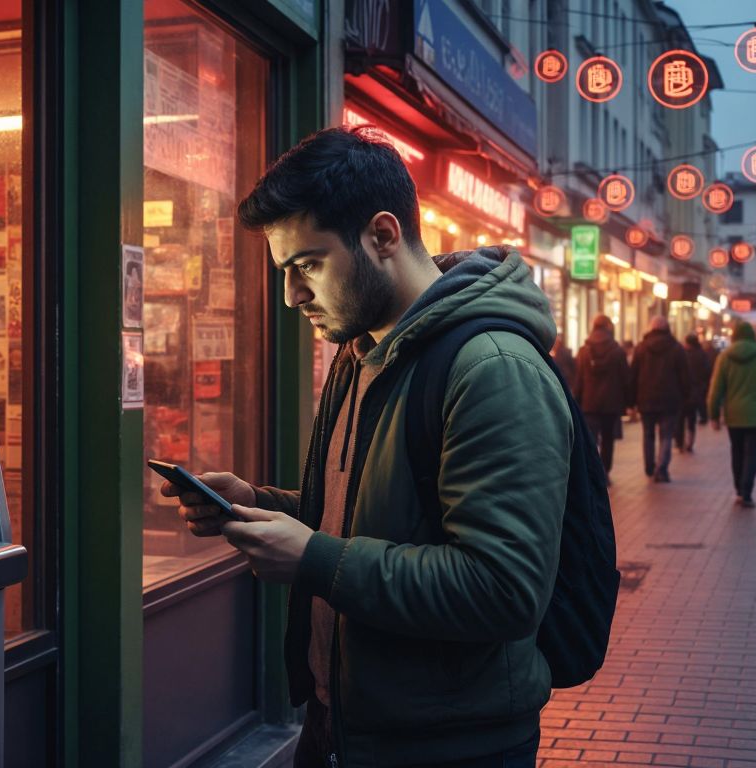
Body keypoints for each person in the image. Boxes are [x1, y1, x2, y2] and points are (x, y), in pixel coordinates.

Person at [161, 126, 569, 768]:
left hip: (448, 743)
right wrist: (259, 504)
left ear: (382, 236)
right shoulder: (364, 350)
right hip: (344, 720)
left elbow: (503, 589)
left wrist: (315, 558)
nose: (293, 296)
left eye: (309, 265)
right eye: (286, 272)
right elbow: (378, 514)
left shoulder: (491, 367)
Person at [707, 321, 756, 508]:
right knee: (752, 454)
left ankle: (739, 489)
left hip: (734, 415)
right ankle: (746, 491)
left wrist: (714, 414)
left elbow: (716, 390)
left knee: (737, 452)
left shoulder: (724, 357)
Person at [629, 316, 689, 482]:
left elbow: (633, 375)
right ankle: (661, 469)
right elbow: (685, 376)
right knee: (666, 436)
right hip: (670, 400)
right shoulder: (676, 348)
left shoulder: (641, 348)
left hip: (645, 399)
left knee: (648, 434)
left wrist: (631, 401)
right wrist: (685, 397)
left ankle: (649, 467)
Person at [574, 314, 629, 480]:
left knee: (590, 440)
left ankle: (592, 473)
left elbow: (579, 379)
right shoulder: (617, 351)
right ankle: (605, 471)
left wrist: (576, 400)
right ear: (608, 327)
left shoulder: (584, 351)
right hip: (610, 404)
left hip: (589, 403)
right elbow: (625, 378)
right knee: (607, 439)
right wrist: (628, 401)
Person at [676, 333, 712, 453]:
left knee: (680, 419)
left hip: (682, 391)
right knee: (691, 419)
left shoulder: (682, 355)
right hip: (696, 391)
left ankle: (680, 443)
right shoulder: (702, 355)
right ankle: (690, 442)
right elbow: (707, 372)